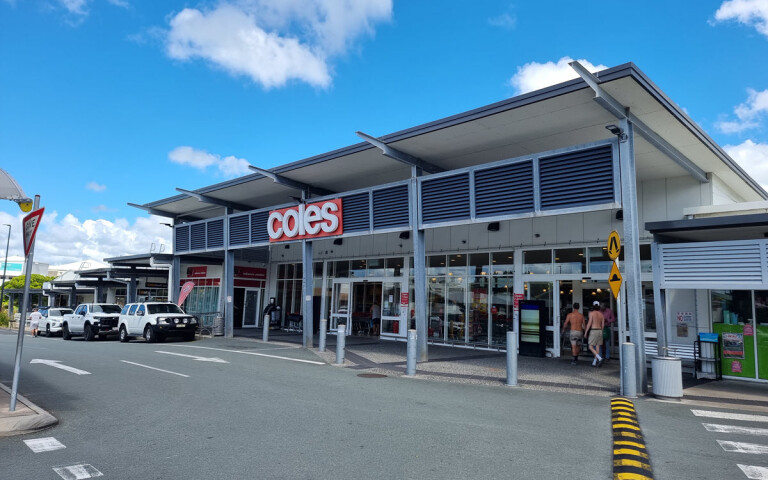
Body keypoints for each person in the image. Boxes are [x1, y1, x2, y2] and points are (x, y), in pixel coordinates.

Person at [585, 301, 605, 367]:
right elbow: (603, 325)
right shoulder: (601, 314)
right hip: (599, 330)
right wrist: (601, 331)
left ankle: (599, 358)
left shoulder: (591, 313)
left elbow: (589, 323)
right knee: (597, 346)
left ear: (593, 306)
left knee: (590, 346)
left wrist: (586, 332)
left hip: (594, 330)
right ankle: (594, 362)